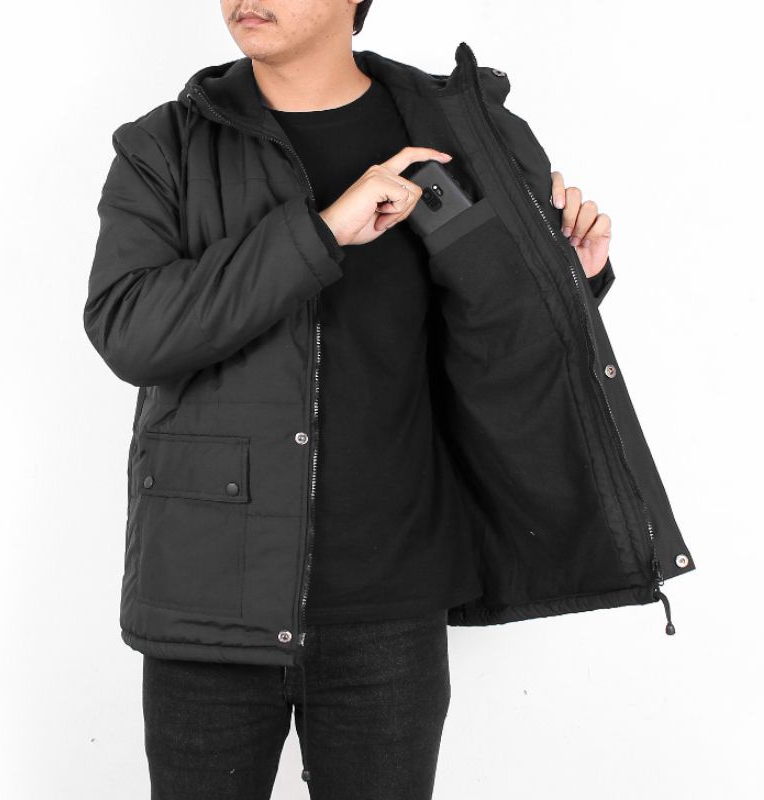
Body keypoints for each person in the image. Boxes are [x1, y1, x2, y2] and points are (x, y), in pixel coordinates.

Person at [84, 1, 695, 798]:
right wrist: (320, 233)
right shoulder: (165, 144)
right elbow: (130, 330)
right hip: (209, 605)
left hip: (391, 610)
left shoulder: (456, 133)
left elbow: (487, 350)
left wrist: (566, 287)